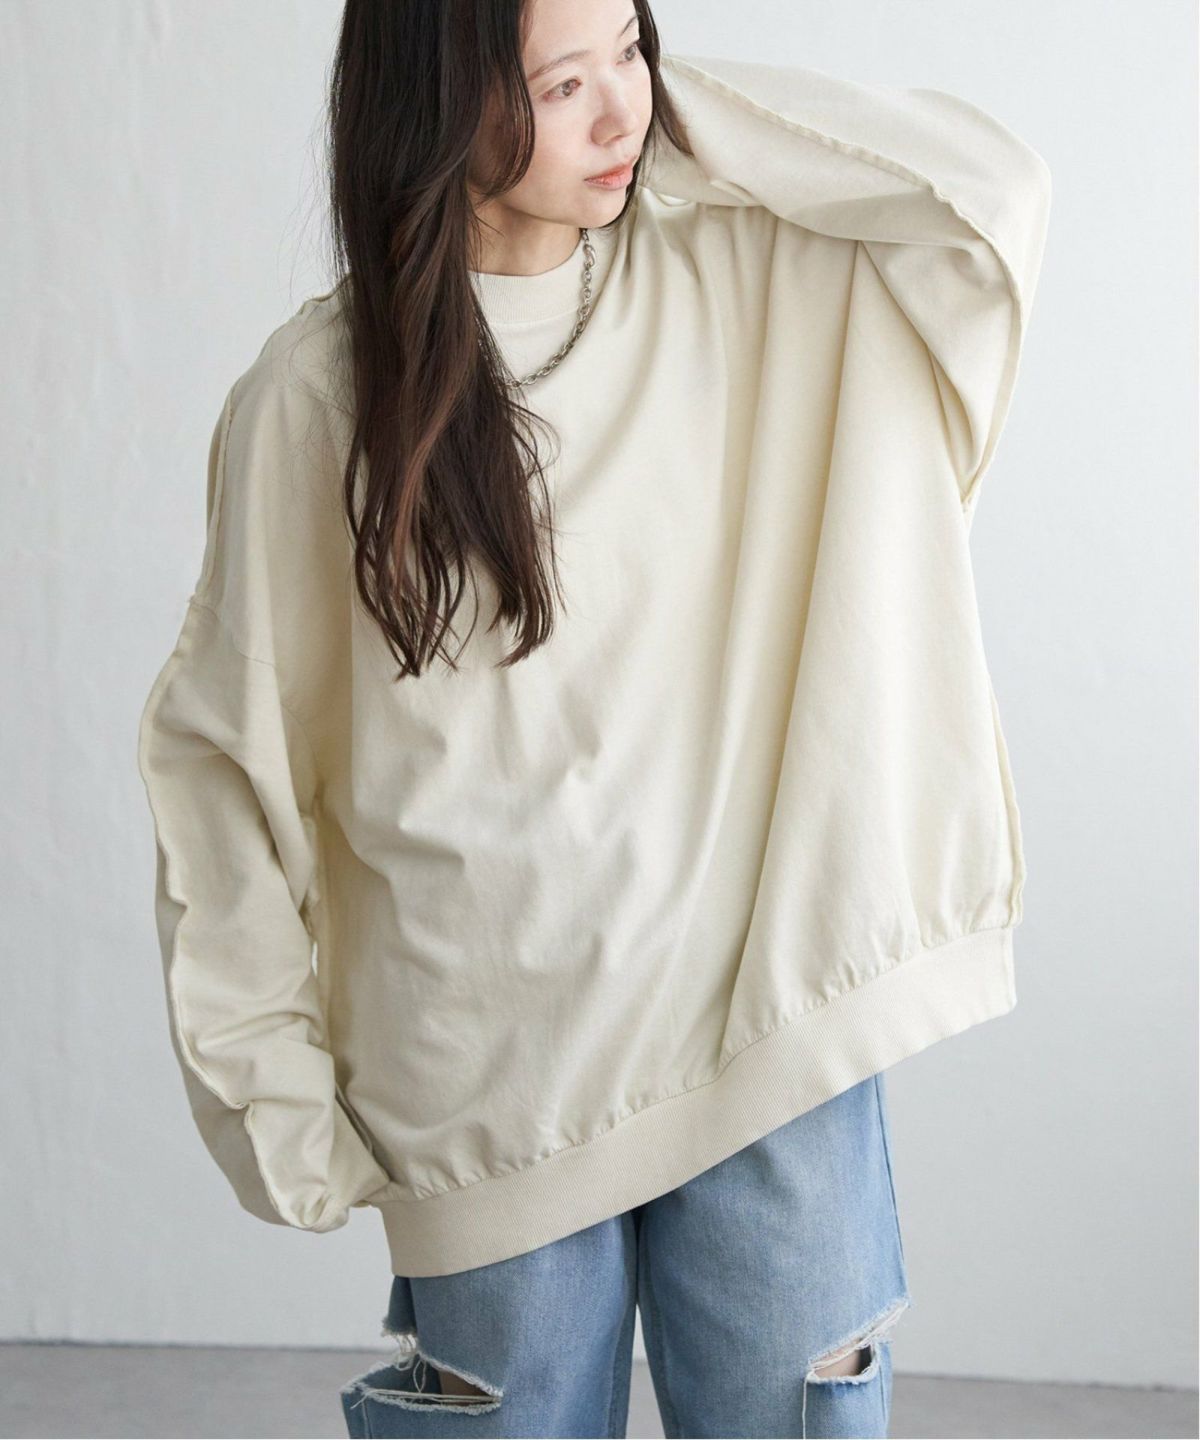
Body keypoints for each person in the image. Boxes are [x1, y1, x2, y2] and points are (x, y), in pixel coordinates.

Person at [135, 0, 1051, 1435]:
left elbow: (983, 202)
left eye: (633, 47)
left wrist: (668, 120)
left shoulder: (746, 272)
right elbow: (225, 766)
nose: (623, 109)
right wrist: (271, 1095)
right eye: (564, 84)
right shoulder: (317, 400)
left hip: (766, 1038)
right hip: (486, 1089)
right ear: (438, 103)